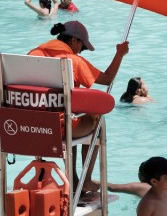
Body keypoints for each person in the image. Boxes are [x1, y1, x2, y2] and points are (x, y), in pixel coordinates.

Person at [28, 21, 129, 196]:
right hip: (58, 128)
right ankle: (86, 180)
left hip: (28, 127)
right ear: (74, 40)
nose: (80, 51)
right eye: (81, 46)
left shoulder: (32, 55)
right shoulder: (73, 61)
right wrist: (120, 54)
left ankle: (73, 179)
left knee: (71, 117)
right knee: (95, 122)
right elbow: (107, 79)